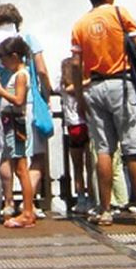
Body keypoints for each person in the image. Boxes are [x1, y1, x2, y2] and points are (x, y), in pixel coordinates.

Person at [71, 0, 136, 226]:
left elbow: (76, 65)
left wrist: (79, 95)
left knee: (103, 149)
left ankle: (105, 209)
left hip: (94, 87)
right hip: (121, 83)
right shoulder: (120, 14)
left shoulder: (80, 24)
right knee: (133, 146)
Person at [0, 3, 53, 216]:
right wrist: (47, 95)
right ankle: (28, 202)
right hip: (27, 103)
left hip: (2, 104)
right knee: (36, 154)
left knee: (7, 153)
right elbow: (41, 70)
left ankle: (7, 204)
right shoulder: (28, 40)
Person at [0, 35, 39, 228]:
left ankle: (27, 212)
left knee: (21, 169)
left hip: (16, 124)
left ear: (15, 56)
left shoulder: (21, 75)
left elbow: (18, 100)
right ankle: (28, 211)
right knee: (19, 168)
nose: (3, 64)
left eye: (5, 59)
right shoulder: (18, 75)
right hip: (12, 124)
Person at [60, 56, 93, 213]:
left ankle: (80, 198)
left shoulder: (62, 86)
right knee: (90, 165)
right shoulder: (79, 86)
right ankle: (92, 198)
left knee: (77, 166)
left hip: (72, 127)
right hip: (85, 124)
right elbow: (72, 89)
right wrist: (93, 78)